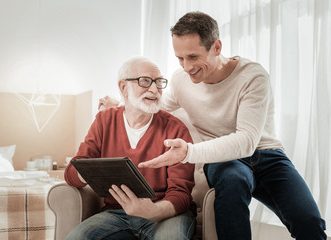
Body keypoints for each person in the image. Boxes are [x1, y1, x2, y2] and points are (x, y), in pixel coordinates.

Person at [100, 12, 327, 240]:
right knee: (233, 181)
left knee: (309, 222)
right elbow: (156, 108)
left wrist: (189, 152)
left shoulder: (252, 77)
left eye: (193, 57)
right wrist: (121, 103)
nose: (186, 67)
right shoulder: (181, 81)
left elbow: (246, 141)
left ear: (216, 47)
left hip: (267, 156)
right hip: (224, 161)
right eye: (180, 58)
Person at [64, 56, 196, 240]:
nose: (154, 89)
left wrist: (154, 211)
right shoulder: (104, 120)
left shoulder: (175, 128)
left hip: (165, 215)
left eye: (158, 82)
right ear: (123, 87)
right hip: (117, 214)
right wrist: (90, 171)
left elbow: (181, 194)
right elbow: (71, 174)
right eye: (145, 81)